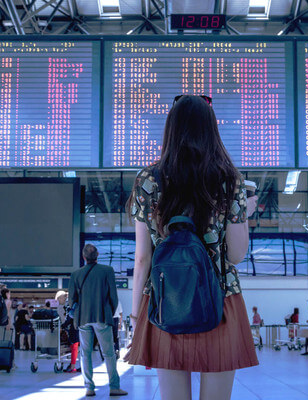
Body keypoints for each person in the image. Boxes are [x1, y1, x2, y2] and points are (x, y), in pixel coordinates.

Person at [126, 95, 259, 400]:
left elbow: (143, 257)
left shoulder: (148, 179)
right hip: (220, 300)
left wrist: (136, 316)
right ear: (211, 130)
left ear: (170, 129)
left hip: (165, 299)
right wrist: (242, 215)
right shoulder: (229, 180)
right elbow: (237, 255)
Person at [69, 244, 127, 397]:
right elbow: (113, 297)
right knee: (108, 353)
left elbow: (71, 300)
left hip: (83, 318)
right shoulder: (107, 271)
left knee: (85, 353)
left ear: (83, 257)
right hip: (102, 316)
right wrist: (110, 312)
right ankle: (114, 387)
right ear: (98, 255)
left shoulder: (76, 274)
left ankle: (89, 388)